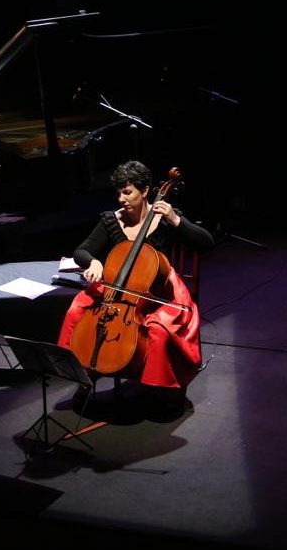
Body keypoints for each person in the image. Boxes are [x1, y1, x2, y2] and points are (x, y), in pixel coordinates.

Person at [56, 161, 214, 411]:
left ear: (145, 191)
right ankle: (80, 374)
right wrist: (94, 261)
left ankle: (161, 387)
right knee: (78, 309)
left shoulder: (163, 219)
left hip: (159, 291)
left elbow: (206, 243)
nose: (121, 199)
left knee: (159, 329)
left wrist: (175, 220)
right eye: (118, 192)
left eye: (127, 192)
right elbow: (81, 251)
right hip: (119, 288)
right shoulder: (112, 220)